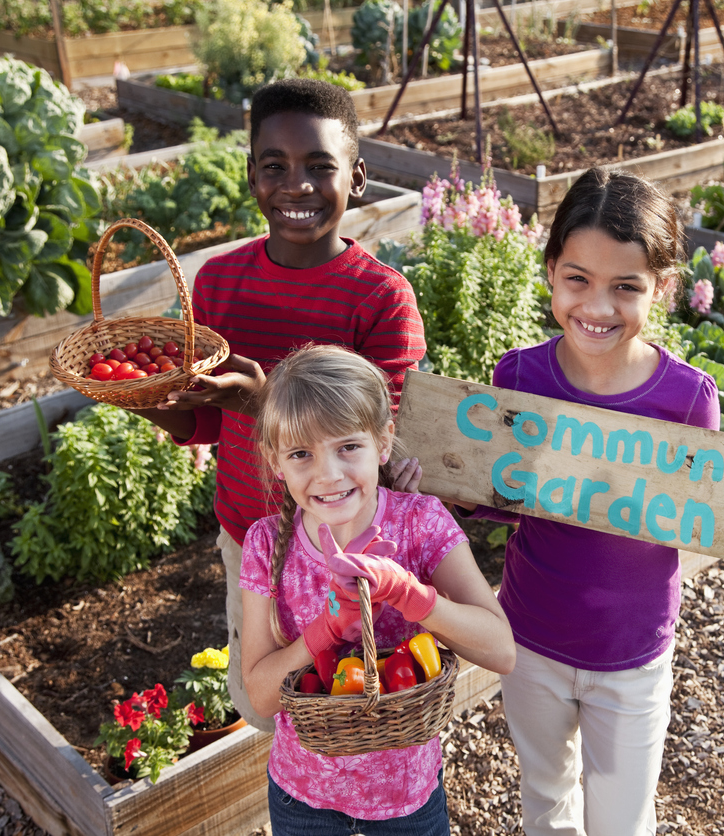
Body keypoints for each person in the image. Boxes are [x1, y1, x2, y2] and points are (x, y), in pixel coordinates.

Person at [463, 167, 724, 836]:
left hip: (632, 654)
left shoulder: (686, 398)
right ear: (549, 273)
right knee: (545, 800)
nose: (598, 308)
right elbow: (507, 496)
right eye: (578, 281)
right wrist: (447, 487)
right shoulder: (520, 376)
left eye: (625, 287)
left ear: (663, 288)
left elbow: (693, 510)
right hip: (531, 637)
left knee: (623, 822)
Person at [130, 79, 426, 732]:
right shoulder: (219, 283)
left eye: (321, 167)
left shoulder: (379, 299)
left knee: (354, 701)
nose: (297, 185)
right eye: (275, 167)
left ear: (358, 177)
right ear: (252, 177)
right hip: (250, 538)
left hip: (350, 550)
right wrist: (149, 400)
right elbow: (205, 420)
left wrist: (268, 399)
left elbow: (375, 440)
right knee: (268, 702)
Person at [239, 344, 516, 835]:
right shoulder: (265, 544)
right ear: (275, 461)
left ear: (384, 441)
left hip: (407, 796)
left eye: (348, 446)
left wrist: (411, 594)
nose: (328, 474)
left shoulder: (420, 523)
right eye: (302, 454)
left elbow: (501, 650)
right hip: (303, 796)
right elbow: (261, 697)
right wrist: (326, 631)